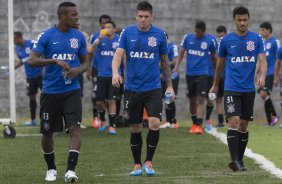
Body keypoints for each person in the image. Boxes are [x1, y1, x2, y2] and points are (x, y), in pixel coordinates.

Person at [112, 1, 175, 176]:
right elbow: (117, 56)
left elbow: (164, 62)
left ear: (151, 17)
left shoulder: (160, 35)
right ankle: (137, 164)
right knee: (135, 127)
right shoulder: (127, 32)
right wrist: (115, 73)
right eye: (140, 16)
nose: (143, 19)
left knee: (154, 123)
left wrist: (169, 86)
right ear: (136, 16)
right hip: (132, 88)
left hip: (153, 87)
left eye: (146, 16)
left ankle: (149, 161)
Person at [28, 2, 89, 182]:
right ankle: (51, 168)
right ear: (62, 16)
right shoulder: (46, 36)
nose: (77, 17)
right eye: (73, 15)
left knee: (75, 129)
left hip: (72, 90)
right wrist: (54, 61)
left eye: (77, 14)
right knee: (47, 132)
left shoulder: (78, 36)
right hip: (50, 92)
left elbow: (86, 62)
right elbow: (31, 60)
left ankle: (70, 170)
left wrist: (78, 70)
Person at [209, 6, 267, 172]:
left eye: (245, 19)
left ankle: (240, 160)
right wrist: (215, 84)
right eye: (239, 20)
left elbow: (262, 61)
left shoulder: (256, 39)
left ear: (249, 19)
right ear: (234, 20)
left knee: (243, 125)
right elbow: (219, 65)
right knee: (233, 121)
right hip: (231, 88)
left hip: (248, 89)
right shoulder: (226, 41)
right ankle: (234, 160)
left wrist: (262, 75)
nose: (242, 23)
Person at [173, 20, 217, 134]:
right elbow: (181, 52)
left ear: (204, 31)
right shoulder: (187, 38)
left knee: (201, 99)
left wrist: (216, 72)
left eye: (198, 32)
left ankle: (199, 124)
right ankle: (194, 123)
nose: (196, 33)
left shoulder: (210, 40)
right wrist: (176, 67)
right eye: (195, 31)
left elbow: (214, 57)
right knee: (192, 100)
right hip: (190, 74)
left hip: (203, 73)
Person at [88, 20, 120, 134]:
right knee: (99, 101)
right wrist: (99, 39)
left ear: (114, 29)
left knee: (112, 100)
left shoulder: (118, 40)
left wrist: (122, 74)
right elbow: (90, 50)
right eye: (105, 27)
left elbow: (124, 57)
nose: (107, 29)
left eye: (109, 27)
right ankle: (102, 119)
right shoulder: (99, 39)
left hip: (113, 76)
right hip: (101, 75)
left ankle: (112, 126)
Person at [87, 14, 112, 128]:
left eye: (107, 23)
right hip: (97, 70)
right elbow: (90, 52)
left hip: (110, 72)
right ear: (100, 24)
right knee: (96, 96)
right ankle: (96, 118)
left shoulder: (115, 37)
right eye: (103, 23)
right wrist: (88, 68)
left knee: (110, 98)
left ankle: (108, 120)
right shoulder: (95, 36)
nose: (105, 25)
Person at [14, 31, 42, 126]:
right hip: (30, 77)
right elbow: (22, 61)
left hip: (40, 75)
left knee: (46, 96)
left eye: (14, 39)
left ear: (19, 38)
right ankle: (33, 119)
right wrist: (12, 68)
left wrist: (44, 69)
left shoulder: (32, 44)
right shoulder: (17, 48)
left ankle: (48, 118)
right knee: (31, 97)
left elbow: (42, 54)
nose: (13, 42)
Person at [257, 22, 280, 126]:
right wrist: (256, 72)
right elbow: (262, 60)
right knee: (263, 96)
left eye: (262, 30)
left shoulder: (275, 42)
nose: (261, 32)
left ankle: (275, 116)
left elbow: (279, 60)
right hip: (264, 73)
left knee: (263, 94)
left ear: (268, 30)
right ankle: (270, 120)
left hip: (271, 72)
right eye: (260, 30)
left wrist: (277, 76)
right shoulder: (264, 43)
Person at [160, 32, 179, 129]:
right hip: (162, 77)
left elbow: (174, 60)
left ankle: (173, 121)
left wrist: (163, 64)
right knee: (165, 99)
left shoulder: (173, 47)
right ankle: (168, 121)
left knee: (171, 98)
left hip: (172, 77)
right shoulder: (160, 47)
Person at [214, 25, 227, 128]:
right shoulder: (216, 45)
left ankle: (230, 117)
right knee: (218, 99)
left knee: (229, 97)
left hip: (229, 76)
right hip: (219, 76)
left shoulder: (230, 44)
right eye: (219, 37)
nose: (220, 39)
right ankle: (220, 121)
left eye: (222, 36)